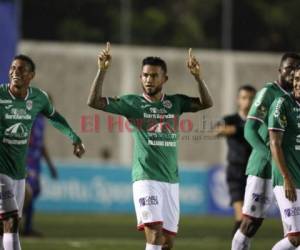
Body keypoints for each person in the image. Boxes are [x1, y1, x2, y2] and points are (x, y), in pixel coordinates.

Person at [87, 42, 213, 250]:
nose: (148, 80)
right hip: (145, 177)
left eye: (154, 76)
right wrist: (102, 71)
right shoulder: (132, 103)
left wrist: (197, 77)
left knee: (167, 242)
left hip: (170, 179)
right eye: (145, 75)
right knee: (154, 234)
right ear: (140, 78)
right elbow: (94, 101)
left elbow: (207, 103)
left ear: (165, 79)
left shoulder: (175, 102)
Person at [0, 54, 85, 250]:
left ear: (31, 75)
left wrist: (74, 138)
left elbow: (55, 117)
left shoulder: (39, 98)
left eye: (21, 69)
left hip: (19, 172)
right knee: (11, 221)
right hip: (1, 170)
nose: (15, 72)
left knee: (7, 224)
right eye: (13, 68)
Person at [231, 52, 300, 250]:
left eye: (295, 69)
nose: (291, 72)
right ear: (280, 70)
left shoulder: (294, 96)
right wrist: (270, 156)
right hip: (264, 167)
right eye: (288, 68)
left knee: (293, 232)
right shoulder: (269, 92)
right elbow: (249, 130)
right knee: (251, 223)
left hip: (289, 169)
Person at [215, 85, 256, 236]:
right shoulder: (230, 119)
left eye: (251, 98)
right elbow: (218, 130)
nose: (248, 101)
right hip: (235, 171)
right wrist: (240, 129)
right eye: (244, 98)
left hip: (253, 172)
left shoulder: (258, 121)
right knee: (241, 218)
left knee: (249, 221)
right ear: (238, 100)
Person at [268, 66, 300, 249]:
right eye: (296, 79)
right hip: (287, 180)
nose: (297, 83)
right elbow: (274, 143)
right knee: (295, 237)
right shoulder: (282, 103)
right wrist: (287, 178)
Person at [22, 113, 57, 237]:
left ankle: (25, 225)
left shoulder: (42, 120)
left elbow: (41, 145)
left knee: (35, 191)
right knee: (27, 193)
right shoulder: (30, 118)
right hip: (28, 161)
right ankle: (16, 223)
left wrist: (50, 165)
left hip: (36, 162)